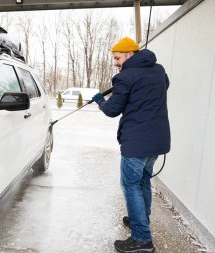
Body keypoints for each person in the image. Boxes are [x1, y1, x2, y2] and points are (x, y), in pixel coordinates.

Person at [92, 37, 170, 253]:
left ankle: (142, 239)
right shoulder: (159, 70)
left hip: (137, 142)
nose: (116, 62)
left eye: (117, 58)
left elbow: (111, 110)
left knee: (131, 186)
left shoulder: (125, 77)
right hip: (158, 139)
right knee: (143, 180)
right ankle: (141, 218)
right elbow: (164, 85)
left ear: (129, 54)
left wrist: (100, 100)